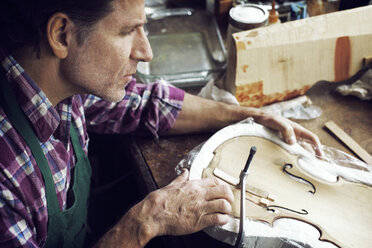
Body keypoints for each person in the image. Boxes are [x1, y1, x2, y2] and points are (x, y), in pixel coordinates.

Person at [0, 0, 322, 247]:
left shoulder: (63, 88)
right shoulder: (7, 178)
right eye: (128, 31)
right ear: (62, 35)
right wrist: (142, 223)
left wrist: (248, 115)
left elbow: (145, 105)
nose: (146, 51)